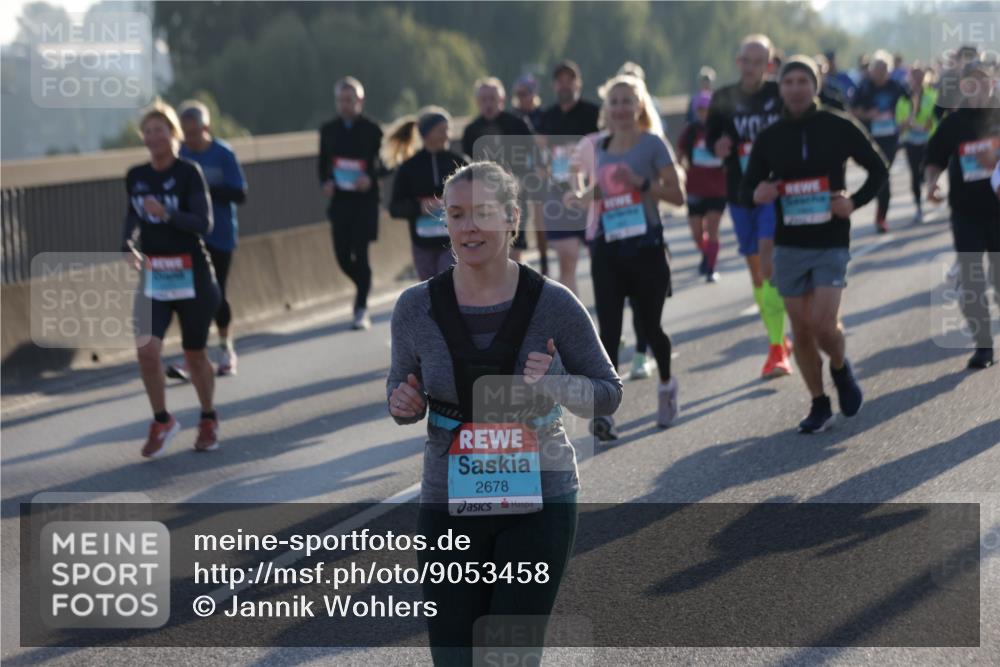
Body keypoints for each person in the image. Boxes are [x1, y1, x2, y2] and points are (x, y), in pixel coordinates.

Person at [387, 161, 622, 665]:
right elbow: (401, 387)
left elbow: (607, 393)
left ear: (512, 218)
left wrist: (557, 380)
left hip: (541, 498)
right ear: (444, 223)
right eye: (456, 214)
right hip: (448, 501)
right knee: (454, 657)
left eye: (483, 213)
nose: (469, 226)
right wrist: (401, 404)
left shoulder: (554, 304)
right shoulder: (414, 307)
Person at [740, 56, 889, 433]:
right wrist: (760, 192)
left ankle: (840, 369)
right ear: (781, 88)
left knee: (824, 325)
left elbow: (878, 167)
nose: (795, 88)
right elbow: (746, 189)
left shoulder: (836, 126)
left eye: (802, 81)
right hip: (789, 243)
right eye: (788, 82)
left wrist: (853, 202)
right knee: (802, 330)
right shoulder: (770, 137)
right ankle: (819, 403)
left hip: (830, 239)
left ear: (815, 86)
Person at [565, 73, 685, 437]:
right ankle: (605, 412)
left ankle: (666, 385)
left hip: (647, 247)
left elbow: (677, 197)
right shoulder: (598, 147)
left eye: (626, 101)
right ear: (607, 109)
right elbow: (592, 190)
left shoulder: (653, 144)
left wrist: (643, 185)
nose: (619, 108)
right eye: (613, 102)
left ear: (639, 106)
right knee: (608, 331)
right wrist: (582, 197)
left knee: (651, 327)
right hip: (608, 248)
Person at [122, 101, 221, 456]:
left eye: (159, 129)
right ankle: (162, 419)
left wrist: (168, 212)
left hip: (192, 274)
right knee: (146, 349)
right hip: (155, 276)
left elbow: (203, 224)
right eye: (147, 131)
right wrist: (127, 246)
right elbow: (131, 220)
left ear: (172, 134)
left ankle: (208, 417)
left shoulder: (188, 173)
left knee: (194, 355)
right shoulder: (136, 176)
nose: (153, 137)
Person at [706, 33, 793, 379]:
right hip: (740, 192)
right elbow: (710, 138)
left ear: (769, 65)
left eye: (759, 61)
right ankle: (778, 338)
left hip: (774, 191)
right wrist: (720, 145)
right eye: (746, 60)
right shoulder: (723, 98)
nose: (752, 67)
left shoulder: (779, 93)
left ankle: (776, 349)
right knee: (757, 271)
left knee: (768, 264)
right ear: (738, 61)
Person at [925, 60, 1000, 369]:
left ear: (993, 82)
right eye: (971, 81)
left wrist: (995, 158)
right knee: (971, 281)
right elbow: (934, 158)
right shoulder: (952, 124)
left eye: (984, 80)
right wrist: (931, 183)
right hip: (966, 212)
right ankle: (983, 346)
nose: (978, 86)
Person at [169, 100, 247, 379]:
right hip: (189, 235)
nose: (189, 139)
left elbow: (240, 193)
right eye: (184, 133)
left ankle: (226, 349)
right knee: (189, 298)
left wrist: (206, 190)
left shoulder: (223, 153)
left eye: (193, 132)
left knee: (215, 295)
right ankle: (193, 358)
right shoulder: (180, 156)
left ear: (206, 128)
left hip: (221, 235)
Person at [319, 76, 385, 330]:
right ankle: (364, 283)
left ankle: (360, 307)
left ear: (360, 101)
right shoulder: (328, 130)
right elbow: (323, 164)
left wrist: (370, 177)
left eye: (350, 100)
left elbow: (386, 164)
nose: (345, 105)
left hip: (365, 202)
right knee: (342, 256)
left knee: (362, 253)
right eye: (341, 100)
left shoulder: (372, 129)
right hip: (340, 202)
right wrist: (325, 182)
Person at [535, 60, 601, 296]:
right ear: (554, 85)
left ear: (578, 83)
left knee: (600, 262)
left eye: (570, 80)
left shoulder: (594, 113)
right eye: (560, 81)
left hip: (591, 194)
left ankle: (607, 322)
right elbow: (539, 157)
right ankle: (572, 322)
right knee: (567, 261)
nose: (565, 85)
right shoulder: (546, 118)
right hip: (559, 196)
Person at [385, 107, 467, 281]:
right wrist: (418, 207)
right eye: (441, 130)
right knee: (428, 290)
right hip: (422, 243)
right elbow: (394, 207)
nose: (447, 135)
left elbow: (475, 197)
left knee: (448, 284)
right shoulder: (409, 168)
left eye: (448, 129)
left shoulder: (459, 163)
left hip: (452, 241)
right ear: (426, 134)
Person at [461, 77, 534, 263]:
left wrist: (524, 180)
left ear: (501, 100)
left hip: (514, 193)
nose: (488, 104)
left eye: (492, 98)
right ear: (477, 102)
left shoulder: (518, 125)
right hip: (482, 196)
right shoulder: (471, 131)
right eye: (483, 99)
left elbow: (533, 156)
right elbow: (465, 166)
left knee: (515, 243)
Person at [852, 50, 910, 233]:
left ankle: (881, 217)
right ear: (871, 70)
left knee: (884, 173)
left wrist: (905, 121)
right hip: (871, 137)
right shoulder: (864, 87)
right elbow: (853, 110)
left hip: (891, 137)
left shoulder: (895, 86)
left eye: (884, 69)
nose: (881, 73)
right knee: (879, 174)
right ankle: (880, 214)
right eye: (877, 69)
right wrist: (868, 115)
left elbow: (910, 102)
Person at [677, 91, 726, 282]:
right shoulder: (690, 131)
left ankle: (711, 269)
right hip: (694, 188)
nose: (704, 112)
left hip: (718, 189)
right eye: (701, 109)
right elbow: (679, 153)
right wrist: (679, 170)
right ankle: (707, 253)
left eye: (708, 108)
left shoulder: (723, 129)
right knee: (697, 234)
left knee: (713, 230)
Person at [896, 65, 938, 224]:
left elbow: (936, 117)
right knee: (915, 173)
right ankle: (918, 206)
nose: (918, 80)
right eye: (915, 76)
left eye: (920, 76)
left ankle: (931, 188)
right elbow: (899, 124)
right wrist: (908, 121)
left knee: (929, 169)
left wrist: (930, 123)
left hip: (929, 139)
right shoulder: (903, 99)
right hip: (911, 141)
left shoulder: (933, 95)